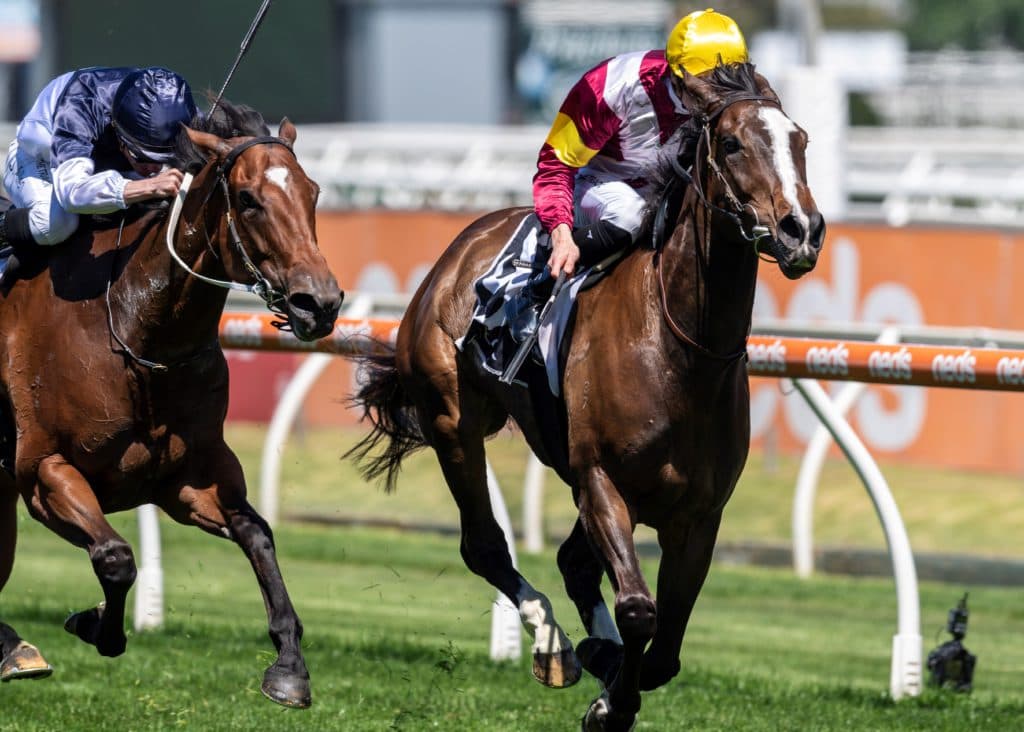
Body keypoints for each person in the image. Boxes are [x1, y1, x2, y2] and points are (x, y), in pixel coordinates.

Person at [532, 7, 749, 281]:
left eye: (726, 83)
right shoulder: (609, 87)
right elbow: (555, 166)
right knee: (630, 214)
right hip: (600, 184)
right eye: (707, 85)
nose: (716, 97)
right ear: (678, 75)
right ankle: (541, 276)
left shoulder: (737, 99)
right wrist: (561, 234)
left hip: (666, 192)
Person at [0, 66, 196, 273]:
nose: (153, 167)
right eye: (143, 158)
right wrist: (148, 186)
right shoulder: (79, 107)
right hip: (39, 159)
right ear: (120, 136)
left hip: (99, 166)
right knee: (57, 224)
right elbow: (71, 193)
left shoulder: (175, 112)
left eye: (162, 158)